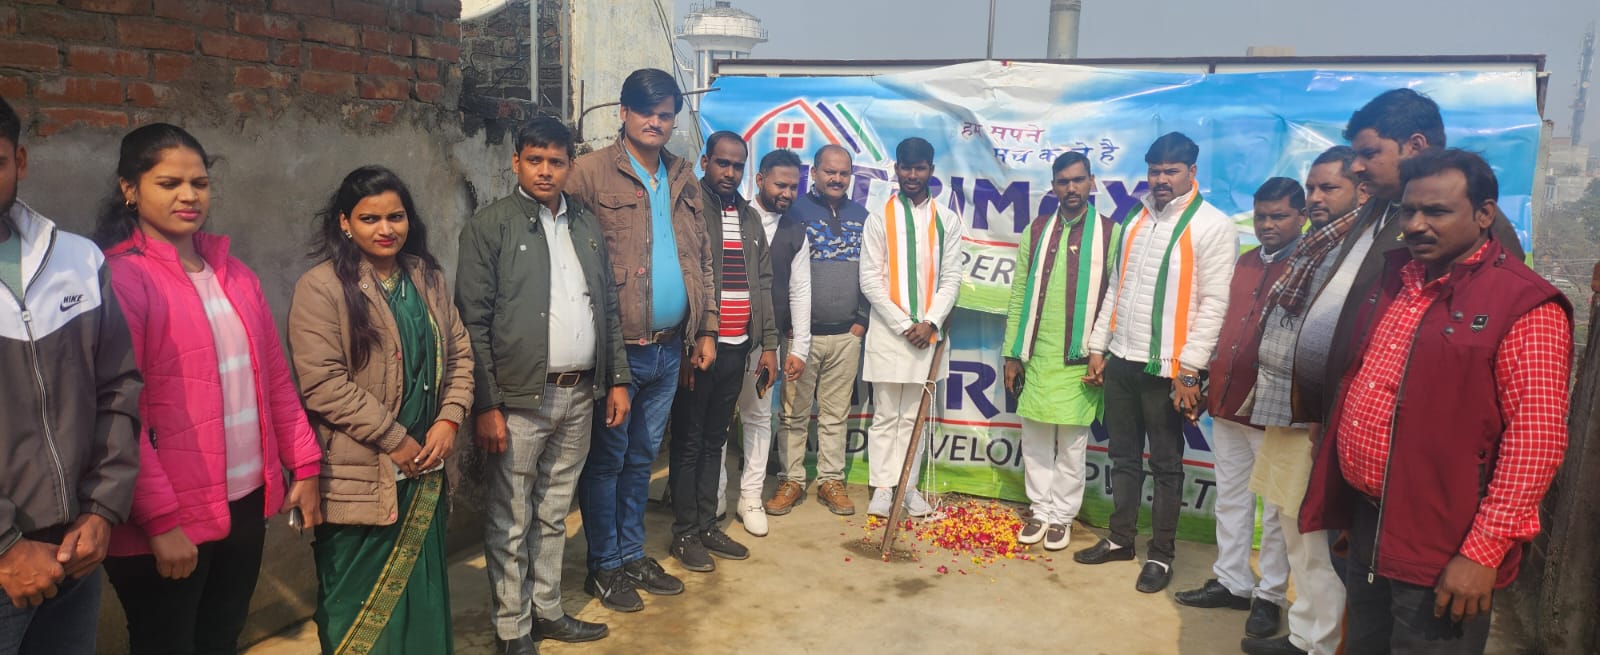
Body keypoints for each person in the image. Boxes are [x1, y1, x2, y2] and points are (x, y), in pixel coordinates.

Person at [1301, 149, 1571, 654]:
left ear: (1484, 214)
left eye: (1437, 211)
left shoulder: (1524, 304)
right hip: (1370, 522)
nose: (1416, 225)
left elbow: (1535, 440)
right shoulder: (1397, 281)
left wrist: (1483, 553)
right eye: (1409, 211)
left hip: (1446, 544)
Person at [96, 123, 324, 654]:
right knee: (167, 642)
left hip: (244, 500)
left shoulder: (235, 275)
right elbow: (117, 414)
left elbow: (275, 380)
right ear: (130, 189)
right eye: (169, 183)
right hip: (166, 513)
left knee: (221, 637)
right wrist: (159, 522)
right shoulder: (121, 280)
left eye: (199, 183)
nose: (189, 196)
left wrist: (305, 465)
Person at [457, 116, 628, 653]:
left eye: (556, 161)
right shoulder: (490, 226)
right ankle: (512, 628)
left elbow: (607, 307)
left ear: (570, 165)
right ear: (516, 163)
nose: (546, 171)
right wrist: (486, 404)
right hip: (519, 399)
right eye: (535, 160)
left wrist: (617, 379)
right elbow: (472, 323)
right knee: (512, 517)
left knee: (554, 511)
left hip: (580, 394)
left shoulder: (584, 224)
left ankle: (547, 609)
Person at [289, 167, 474, 654]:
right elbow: (323, 384)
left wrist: (449, 418)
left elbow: (460, 355)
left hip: (426, 468)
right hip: (363, 472)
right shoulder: (321, 288)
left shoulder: (427, 278)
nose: (386, 229)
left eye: (396, 216)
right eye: (370, 219)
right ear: (345, 223)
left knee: (422, 597)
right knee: (354, 609)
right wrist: (395, 440)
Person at [565, 68, 717, 611]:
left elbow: (702, 258)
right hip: (619, 350)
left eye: (665, 114)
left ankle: (632, 554)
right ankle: (604, 566)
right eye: (646, 111)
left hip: (669, 348)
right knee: (607, 461)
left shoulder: (682, 176)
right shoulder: (588, 174)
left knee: (642, 458)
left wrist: (706, 328)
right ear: (623, 113)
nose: (656, 122)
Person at [0, 94, 142, 655]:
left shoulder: (78, 260)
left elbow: (118, 388)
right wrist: (6, 546)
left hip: (75, 551)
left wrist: (102, 509)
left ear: (20, 160)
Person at [1077, 132, 1238, 594]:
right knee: (1123, 457)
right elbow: (1117, 287)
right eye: (1155, 170)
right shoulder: (1136, 217)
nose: (1161, 179)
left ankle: (1161, 556)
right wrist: (1098, 346)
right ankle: (1120, 539)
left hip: (1168, 369)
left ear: (1192, 172)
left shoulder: (1212, 225)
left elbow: (1215, 305)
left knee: (1166, 465)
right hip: (1123, 359)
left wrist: (1190, 370)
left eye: (1171, 171)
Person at [1321, 88, 1522, 419]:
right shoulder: (1377, 205)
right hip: (1347, 412)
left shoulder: (1478, 226)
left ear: (1415, 145)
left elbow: (1480, 339)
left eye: (1369, 153)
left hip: (1411, 423)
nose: (1355, 167)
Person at [1243, 147, 1369, 655]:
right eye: (1312, 187)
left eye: (1328, 188)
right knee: (1292, 525)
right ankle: (1302, 633)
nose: (1316, 197)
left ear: (1361, 190)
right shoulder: (1319, 243)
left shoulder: (1358, 250)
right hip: (1284, 406)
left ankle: (1323, 643)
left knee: (1315, 536)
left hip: (1314, 416)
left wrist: (1320, 414)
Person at [1174, 177, 1305, 639]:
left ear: (1301, 217)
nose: (1268, 225)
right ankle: (1232, 581)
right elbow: (1221, 325)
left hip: (1274, 411)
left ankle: (1270, 595)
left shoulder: (1310, 267)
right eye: (1262, 216)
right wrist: (1200, 380)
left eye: (1279, 216)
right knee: (1231, 496)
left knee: (1276, 509)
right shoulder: (1245, 263)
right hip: (1228, 402)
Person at [666, 131, 779, 572]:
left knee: (716, 439)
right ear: (706, 162)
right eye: (722, 163)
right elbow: (684, 275)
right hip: (700, 348)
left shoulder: (749, 218)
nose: (730, 172)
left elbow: (763, 285)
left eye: (737, 165)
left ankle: (707, 524)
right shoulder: (689, 208)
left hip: (737, 348)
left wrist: (768, 345)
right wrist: (687, 343)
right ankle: (684, 533)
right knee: (690, 441)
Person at [1001, 151, 1114, 551]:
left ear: (1092, 182)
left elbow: (1115, 297)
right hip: (1035, 355)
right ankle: (1040, 509)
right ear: (1053, 186)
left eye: (1078, 180)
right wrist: (1011, 353)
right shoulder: (1036, 231)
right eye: (1063, 181)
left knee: (1071, 445)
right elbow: (1019, 291)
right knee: (1034, 440)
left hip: (1080, 359)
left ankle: (1062, 516)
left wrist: (1102, 351)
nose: (1071, 188)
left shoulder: (1110, 233)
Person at [860, 137, 967, 519]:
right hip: (890, 333)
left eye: (919, 168)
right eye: (906, 167)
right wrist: (906, 324)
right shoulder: (879, 218)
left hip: (929, 336)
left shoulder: (947, 219)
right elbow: (869, 280)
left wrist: (930, 322)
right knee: (886, 414)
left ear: (931, 170)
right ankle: (882, 488)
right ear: (896, 169)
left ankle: (907, 488)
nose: (912, 174)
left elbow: (951, 279)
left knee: (915, 417)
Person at [766, 144, 871, 517]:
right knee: (793, 413)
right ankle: (791, 480)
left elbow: (875, 270)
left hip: (846, 335)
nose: (837, 179)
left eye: (844, 173)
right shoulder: (794, 212)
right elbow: (779, 271)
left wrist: (861, 320)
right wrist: (788, 327)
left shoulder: (862, 216)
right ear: (814, 173)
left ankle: (830, 481)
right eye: (830, 171)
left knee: (835, 414)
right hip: (800, 337)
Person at [724, 148, 811, 537]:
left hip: (766, 346)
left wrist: (799, 348)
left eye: (793, 187)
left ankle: (750, 498)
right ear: (759, 180)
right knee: (717, 418)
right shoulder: (734, 215)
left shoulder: (796, 231)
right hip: (726, 338)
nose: (787, 193)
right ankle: (715, 497)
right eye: (780, 185)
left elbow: (801, 292)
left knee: (759, 418)